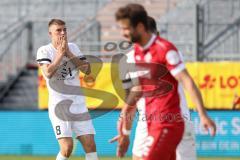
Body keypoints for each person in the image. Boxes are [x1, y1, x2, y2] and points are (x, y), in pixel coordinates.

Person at [111, 4, 216, 160]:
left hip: (168, 122)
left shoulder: (165, 49)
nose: (122, 33)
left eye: (126, 29)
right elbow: (138, 90)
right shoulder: (138, 53)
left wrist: (203, 114)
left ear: (139, 27)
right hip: (151, 123)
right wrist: (125, 127)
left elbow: (187, 81)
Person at [36, 19, 98, 160]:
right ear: (50, 33)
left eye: (65, 29)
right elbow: (48, 73)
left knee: (90, 146)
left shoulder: (73, 48)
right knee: (67, 147)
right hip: (60, 106)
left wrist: (68, 53)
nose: (63, 33)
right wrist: (60, 54)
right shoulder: (44, 50)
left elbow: (87, 70)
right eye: (58, 30)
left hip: (79, 105)